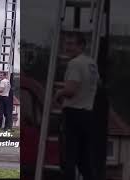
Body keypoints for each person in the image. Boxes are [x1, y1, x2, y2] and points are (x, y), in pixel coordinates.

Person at [54, 32, 100, 180]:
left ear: (81, 46)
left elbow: (71, 90)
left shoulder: (75, 63)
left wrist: (58, 93)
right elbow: (98, 84)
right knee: (84, 160)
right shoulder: (92, 64)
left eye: (71, 44)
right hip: (88, 114)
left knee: (69, 158)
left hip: (73, 114)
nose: (67, 47)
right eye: (66, 43)